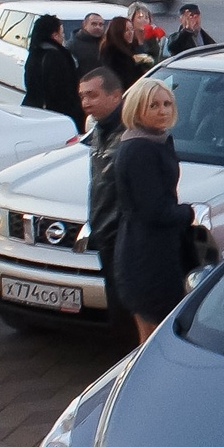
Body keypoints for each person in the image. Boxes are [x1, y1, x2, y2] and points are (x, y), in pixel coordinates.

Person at [109, 77, 198, 343]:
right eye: (154, 105)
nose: (163, 110)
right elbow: (154, 211)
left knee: (151, 334)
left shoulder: (153, 141)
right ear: (137, 109)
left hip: (150, 249)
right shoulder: (140, 149)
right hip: (148, 257)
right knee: (155, 337)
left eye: (167, 104)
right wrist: (190, 213)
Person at [78, 65, 128, 332]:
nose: (86, 103)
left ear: (116, 96)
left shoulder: (131, 133)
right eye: (83, 97)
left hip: (124, 235)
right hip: (105, 231)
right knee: (116, 307)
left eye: (92, 96)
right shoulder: (99, 129)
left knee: (128, 309)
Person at [21, 13, 83, 129]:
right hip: (57, 117)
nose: (63, 37)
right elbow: (65, 91)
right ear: (54, 35)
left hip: (33, 111)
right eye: (62, 33)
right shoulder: (58, 56)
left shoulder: (34, 53)